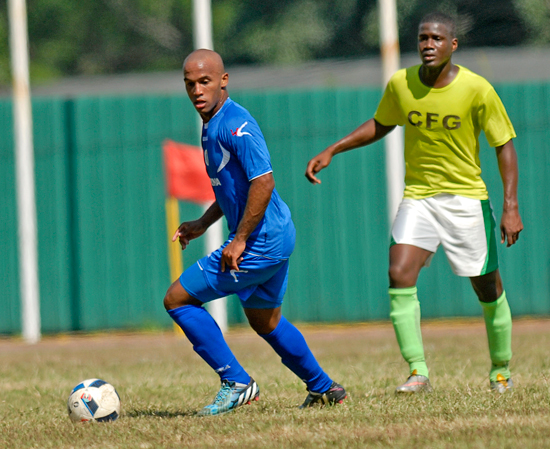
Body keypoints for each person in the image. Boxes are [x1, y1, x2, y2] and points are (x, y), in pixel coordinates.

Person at [305, 12, 523, 394]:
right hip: (419, 198)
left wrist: (510, 206)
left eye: (437, 39)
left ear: (452, 45)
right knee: (399, 272)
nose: (428, 45)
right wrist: (333, 149)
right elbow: (382, 122)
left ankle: (500, 370)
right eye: (423, 38)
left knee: (487, 287)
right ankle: (418, 371)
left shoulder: (477, 89)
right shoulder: (401, 84)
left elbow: (504, 144)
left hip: (466, 200)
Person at [164, 49, 346, 416]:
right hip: (274, 235)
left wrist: (240, 238)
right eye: (190, 84)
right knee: (266, 320)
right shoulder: (211, 123)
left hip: (260, 241)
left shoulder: (236, 125)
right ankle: (325, 388)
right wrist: (202, 223)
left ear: (223, 81)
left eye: (205, 82)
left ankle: (236, 382)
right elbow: (233, 189)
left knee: (178, 299)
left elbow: (263, 182)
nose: (197, 90)